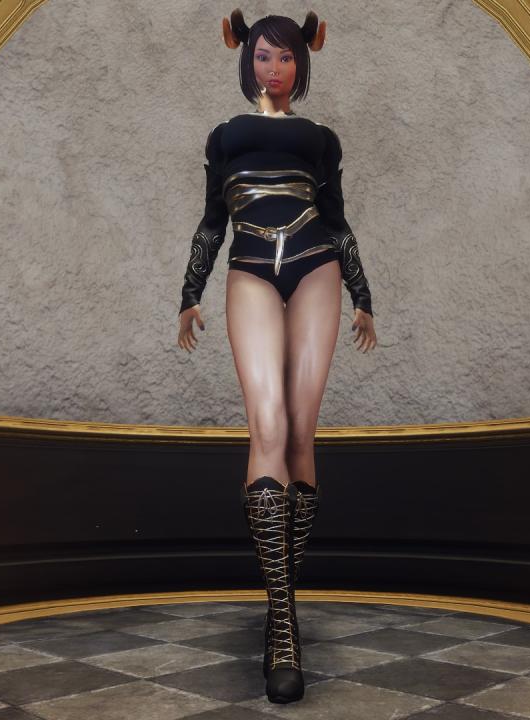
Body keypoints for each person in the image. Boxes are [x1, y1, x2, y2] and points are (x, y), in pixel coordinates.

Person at [175, 9, 377, 703]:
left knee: (299, 434)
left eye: (287, 57)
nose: (275, 68)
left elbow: (338, 220)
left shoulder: (321, 138)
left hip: (318, 267)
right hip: (251, 270)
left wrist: (363, 296)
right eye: (264, 55)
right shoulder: (225, 136)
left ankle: (282, 606)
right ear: (246, 59)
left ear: (303, 62)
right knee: (267, 427)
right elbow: (213, 221)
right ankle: (283, 620)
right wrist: (189, 293)